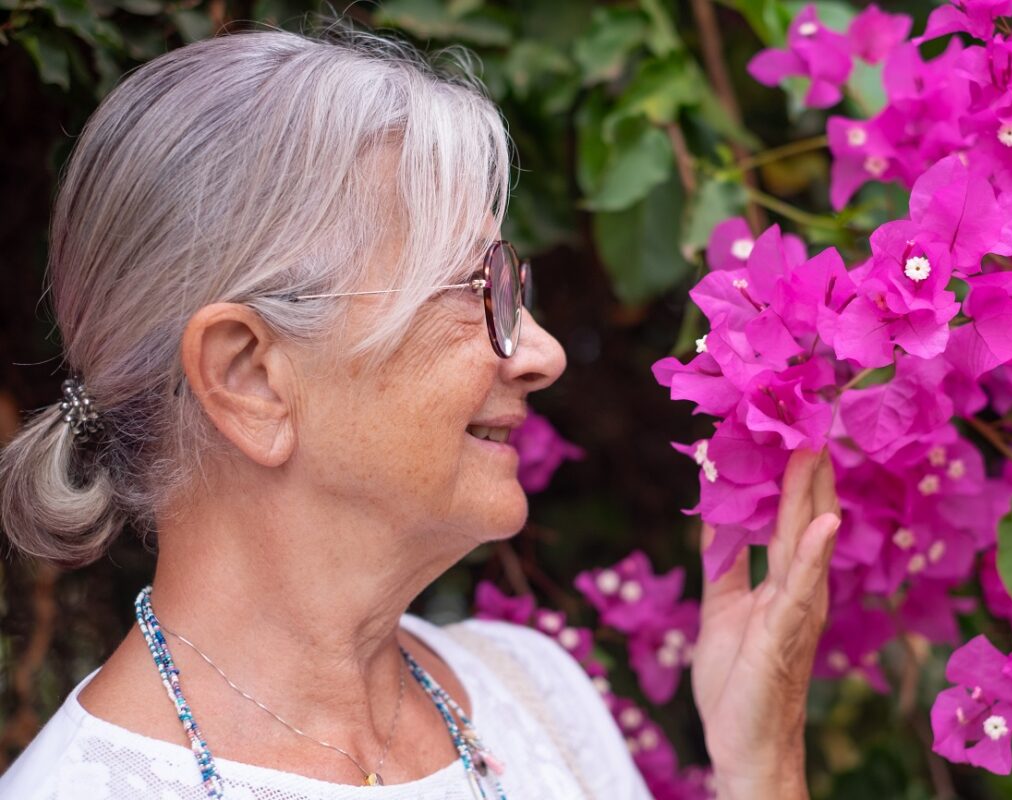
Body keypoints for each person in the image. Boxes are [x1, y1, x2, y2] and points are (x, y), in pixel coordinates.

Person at [0, 25, 840, 800]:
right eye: (478, 293)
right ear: (251, 378)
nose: (542, 353)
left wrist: (762, 765)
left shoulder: (534, 694)